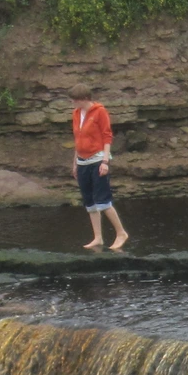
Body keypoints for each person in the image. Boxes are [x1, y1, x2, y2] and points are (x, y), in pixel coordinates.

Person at [69, 85, 128, 251]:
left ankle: (121, 233)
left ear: (83, 99)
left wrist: (105, 162)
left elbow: (107, 136)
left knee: (102, 199)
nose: (72, 102)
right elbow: (77, 139)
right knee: (89, 201)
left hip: (97, 160)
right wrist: (75, 163)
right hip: (82, 161)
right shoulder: (75, 114)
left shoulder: (100, 112)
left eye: (74, 99)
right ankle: (98, 237)